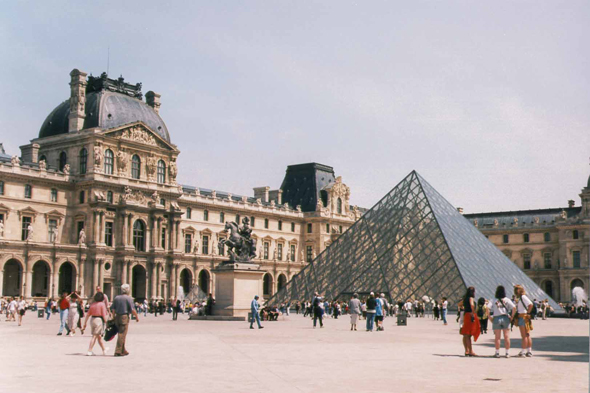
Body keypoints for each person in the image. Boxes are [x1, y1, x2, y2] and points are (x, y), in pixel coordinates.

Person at [110, 284, 140, 357]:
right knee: (122, 334)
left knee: (122, 333)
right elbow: (132, 310)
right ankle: (118, 351)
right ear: (127, 290)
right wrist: (136, 317)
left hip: (117, 317)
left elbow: (113, 309)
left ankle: (123, 350)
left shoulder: (116, 298)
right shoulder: (128, 298)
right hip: (124, 317)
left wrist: (113, 317)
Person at [489, 285, 515, 358]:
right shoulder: (507, 299)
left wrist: (489, 317)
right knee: (507, 337)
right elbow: (514, 307)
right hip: (505, 317)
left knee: (497, 337)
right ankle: (507, 353)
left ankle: (497, 353)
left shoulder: (493, 299)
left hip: (496, 318)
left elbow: (487, 308)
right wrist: (512, 317)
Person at [459, 286, 480, 357]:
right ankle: (470, 351)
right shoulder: (471, 298)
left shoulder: (465, 298)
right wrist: (473, 312)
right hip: (470, 315)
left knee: (465, 333)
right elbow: (472, 305)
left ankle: (466, 351)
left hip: (466, 315)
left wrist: (464, 308)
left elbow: (459, 304)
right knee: (468, 334)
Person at [514, 285, 534, 357]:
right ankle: (529, 351)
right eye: (516, 289)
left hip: (523, 317)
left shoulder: (523, 297)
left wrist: (528, 313)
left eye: (517, 289)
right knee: (527, 335)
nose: (516, 290)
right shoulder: (520, 297)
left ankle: (523, 351)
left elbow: (530, 304)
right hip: (524, 317)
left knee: (524, 336)